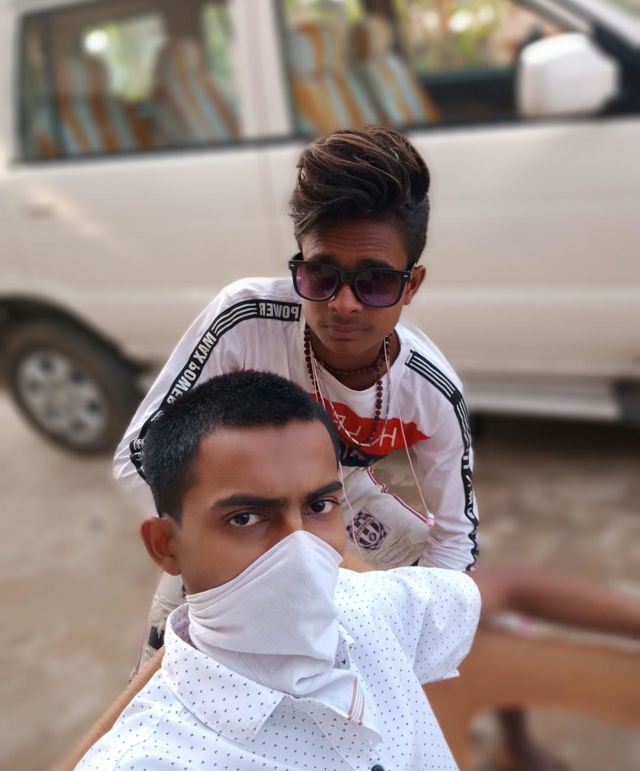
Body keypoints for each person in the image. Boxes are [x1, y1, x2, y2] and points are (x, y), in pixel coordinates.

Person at [115, 126, 479, 663]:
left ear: (413, 284)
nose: (345, 304)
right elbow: (137, 458)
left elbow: (456, 539)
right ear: (298, 266)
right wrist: (252, 553)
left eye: (376, 282)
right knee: (172, 668)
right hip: (239, 508)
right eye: (321, 275)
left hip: (346, 500)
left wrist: (405, 632)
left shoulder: (431, 391)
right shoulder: (244, 321)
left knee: (446, 602)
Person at [82, 371, 482, 770]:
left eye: (319, 506)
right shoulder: (152, 758)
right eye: (245, 518)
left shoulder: (367, 605)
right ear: (166, 545)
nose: (300, 551)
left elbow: (469, 600)